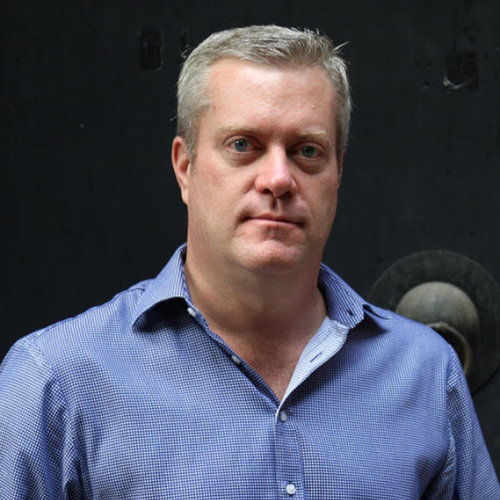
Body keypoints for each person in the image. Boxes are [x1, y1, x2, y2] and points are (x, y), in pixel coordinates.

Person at [0, 25, 498, 499]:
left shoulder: (424, 373)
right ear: (185, 167)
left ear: (338, 172)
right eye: (243, 145)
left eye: (307, 150)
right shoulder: (57, 380)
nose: (278, 178)